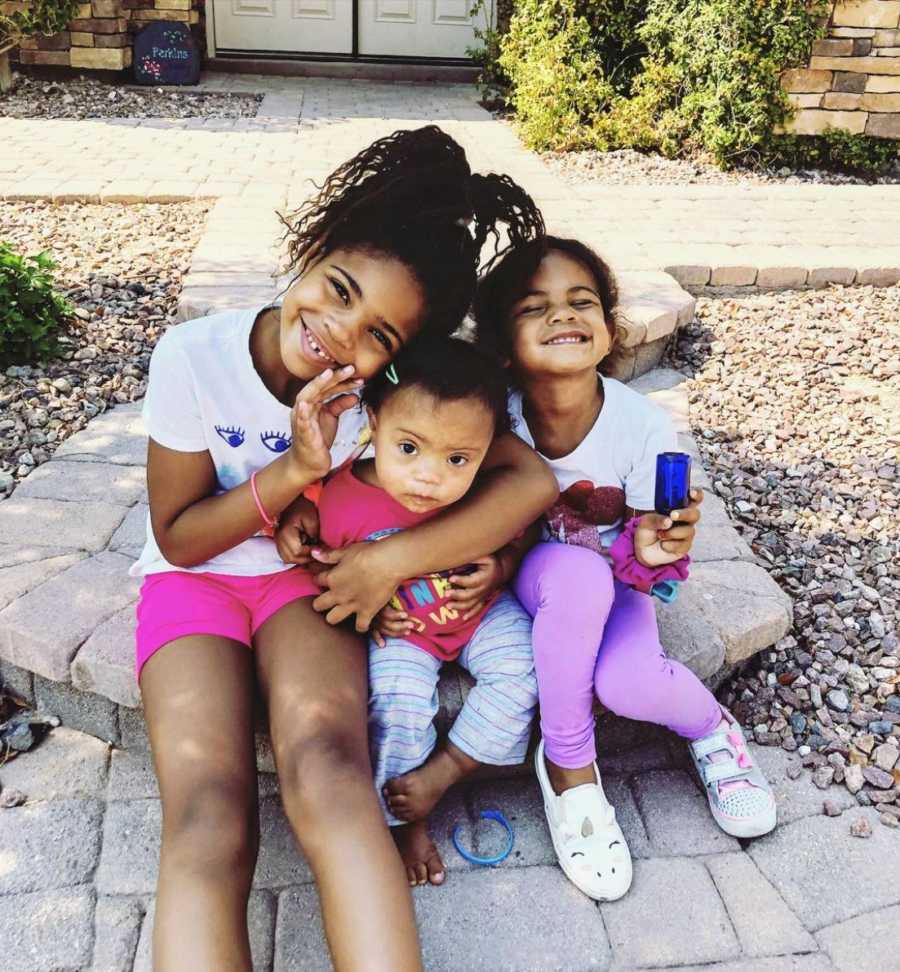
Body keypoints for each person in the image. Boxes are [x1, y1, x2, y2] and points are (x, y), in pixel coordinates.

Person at [132, 125, 555, 972]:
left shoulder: (383, 397)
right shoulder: (193, 357)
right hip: (194, 591)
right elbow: (179, 539)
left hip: (309, 591)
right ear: (310, 251)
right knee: (210, 813)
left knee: (330, 772)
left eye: (379, 336)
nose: (338, 333)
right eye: (337, 289)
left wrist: (389, 560)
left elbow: (529, 482)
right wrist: (293, 473)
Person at [473, 235, 777, 903]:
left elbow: (651, 536)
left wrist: (655, 547)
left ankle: (713, 731)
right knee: (574, 577)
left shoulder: (641, 425)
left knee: (632, 680)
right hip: (534, 575)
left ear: (608, 330)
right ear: (502, 341)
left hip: (615, 580)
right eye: (535, 307)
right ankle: (568, 768)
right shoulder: (495, 420)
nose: (563, 316)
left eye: (582, 302)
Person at [312, 336, 538, 889]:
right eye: (408, 448)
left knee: (527, 667)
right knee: (395, 702)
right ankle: (402, 817)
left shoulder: (481, 490)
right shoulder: (340, 499)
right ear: (373, 420)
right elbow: (322, 574)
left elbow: (522, 528)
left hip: (481, 613)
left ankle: (450, 769)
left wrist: (503, 566)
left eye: (457, 458)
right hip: (404, 635)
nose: (430, 476)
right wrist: (363, 617)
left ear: (486, 450)